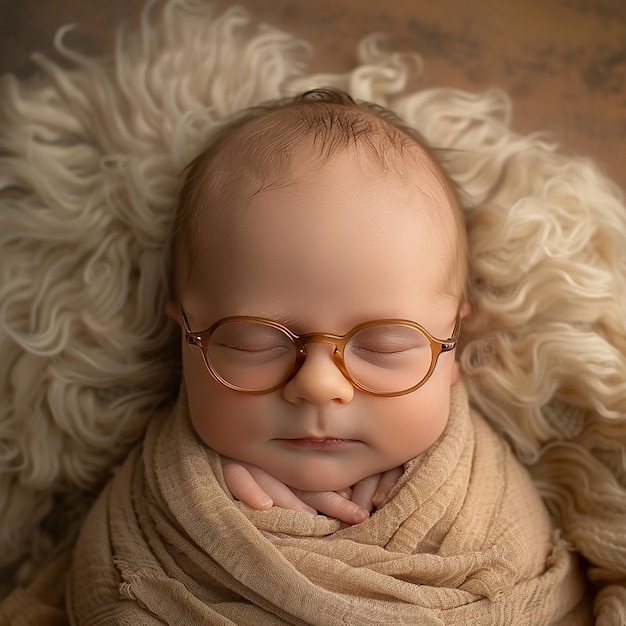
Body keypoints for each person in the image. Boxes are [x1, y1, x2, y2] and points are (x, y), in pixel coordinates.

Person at [64, 88, 588, 624]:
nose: (318, 384)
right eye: (255, 341)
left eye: (384, 345)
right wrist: (213, 513)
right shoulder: (158, 510)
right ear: (185, 335)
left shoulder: (481, 504)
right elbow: (106, 592)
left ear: (453, 344)